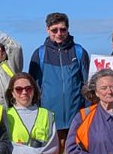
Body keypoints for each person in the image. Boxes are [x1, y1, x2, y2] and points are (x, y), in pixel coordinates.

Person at [28, 12, 90, 145]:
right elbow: (32, 89)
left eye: (63, 29)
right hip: (49, 120)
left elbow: (88, 86)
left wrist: (88, 114)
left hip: (76, 120)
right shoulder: (39, 54)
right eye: (54, 30)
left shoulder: (79, 52)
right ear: (47, 29)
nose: (59, 33)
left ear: (68, 29)